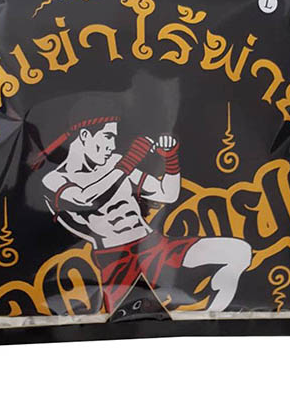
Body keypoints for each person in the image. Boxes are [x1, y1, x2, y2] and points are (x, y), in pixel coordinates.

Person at [38, 113, 252, 314]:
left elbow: (167, 194)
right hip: (118, 260)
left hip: (155, 244)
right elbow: (88, 199)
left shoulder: (115, 162)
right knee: (120, 317)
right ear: (85, 135)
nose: (112, 145)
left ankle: (208, 319)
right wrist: (129, 161)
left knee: (239, 252)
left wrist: (170, 159)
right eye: (108, 136)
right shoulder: (55, 180)